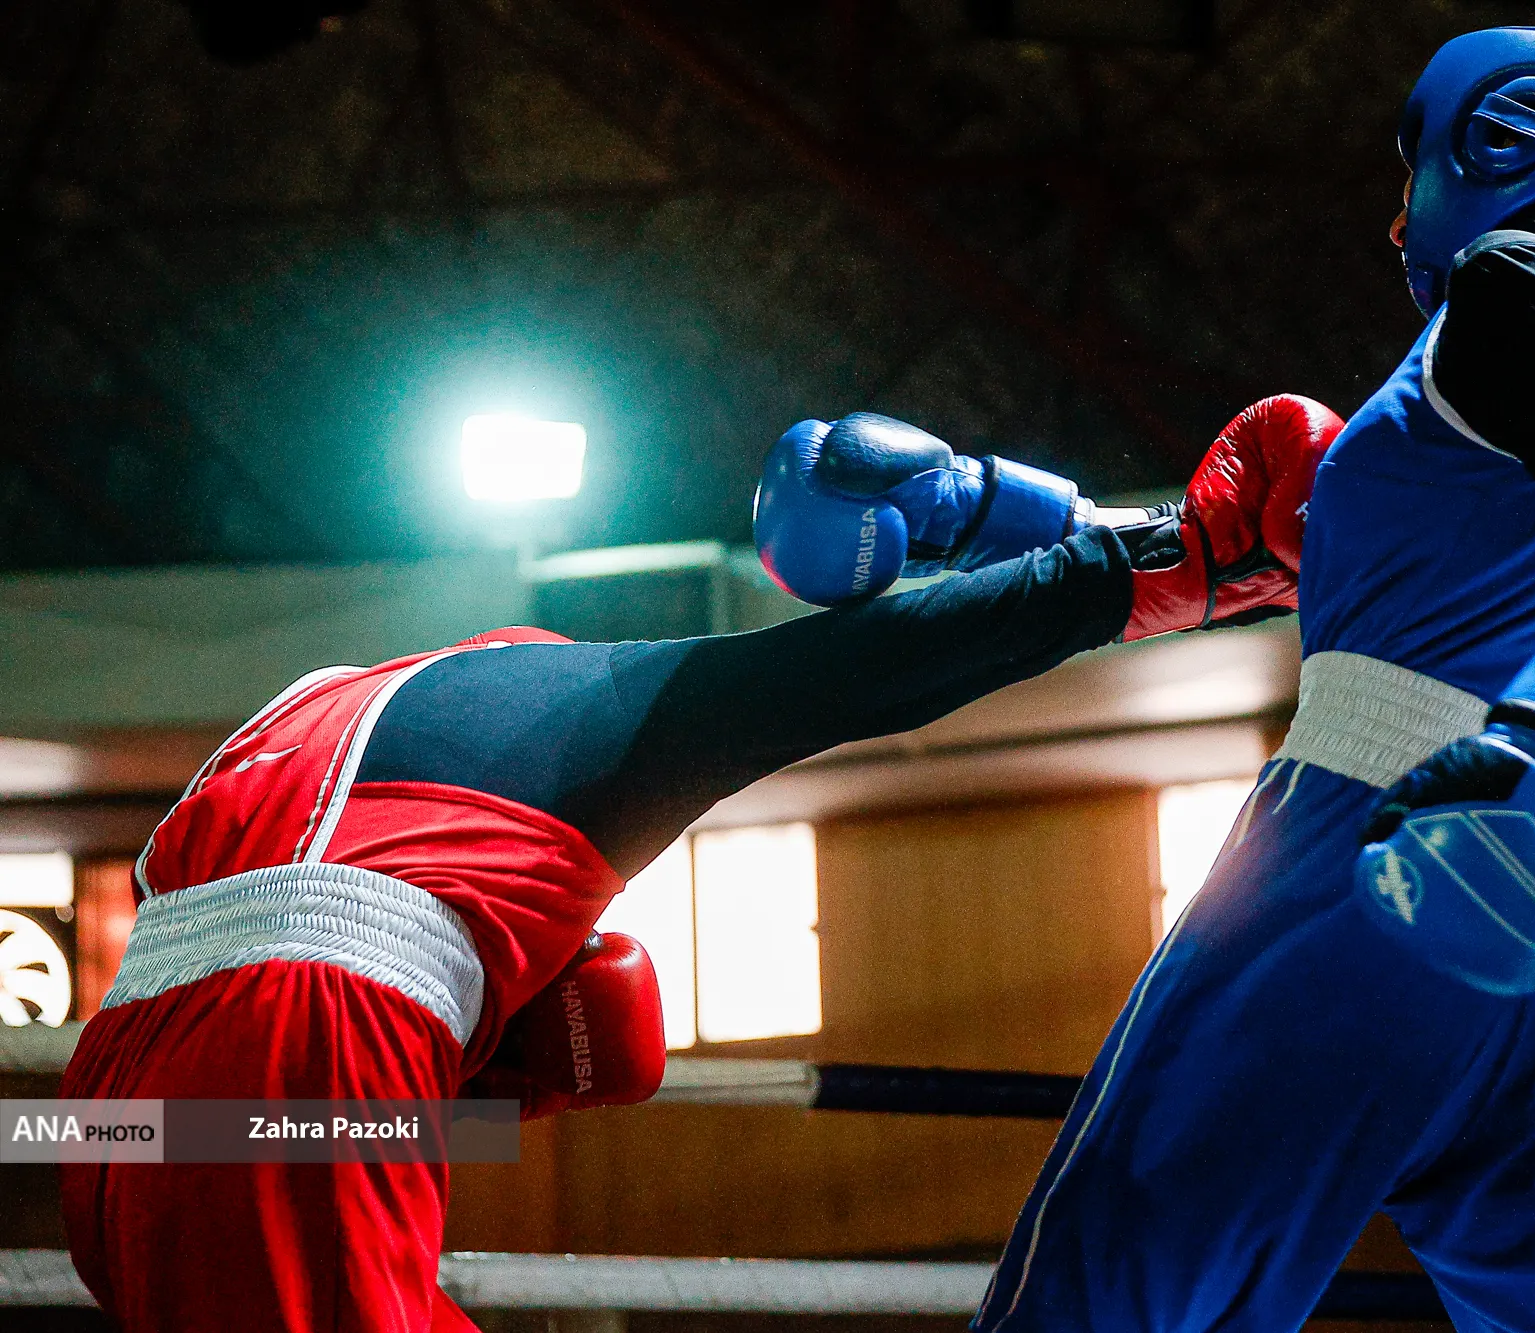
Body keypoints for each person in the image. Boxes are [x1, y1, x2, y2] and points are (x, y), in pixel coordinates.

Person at [772, 26, 1535, 1333]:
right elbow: (1214, 561)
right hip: (1534, 917)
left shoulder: (1525, 274)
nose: (1395, 224)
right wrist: (976, 508)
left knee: (1101, 1297)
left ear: (1508, 134)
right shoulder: (1493, 411)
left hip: (1368, 850)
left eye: (1410, 174)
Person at [59, 404, 1337, 1333]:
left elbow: (243, 1070)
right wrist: (1173, 560)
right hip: (300, 1052)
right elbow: (848, 673)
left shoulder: (305, 723)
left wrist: (472, 1076)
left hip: (110, 1106)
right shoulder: (566, 708)